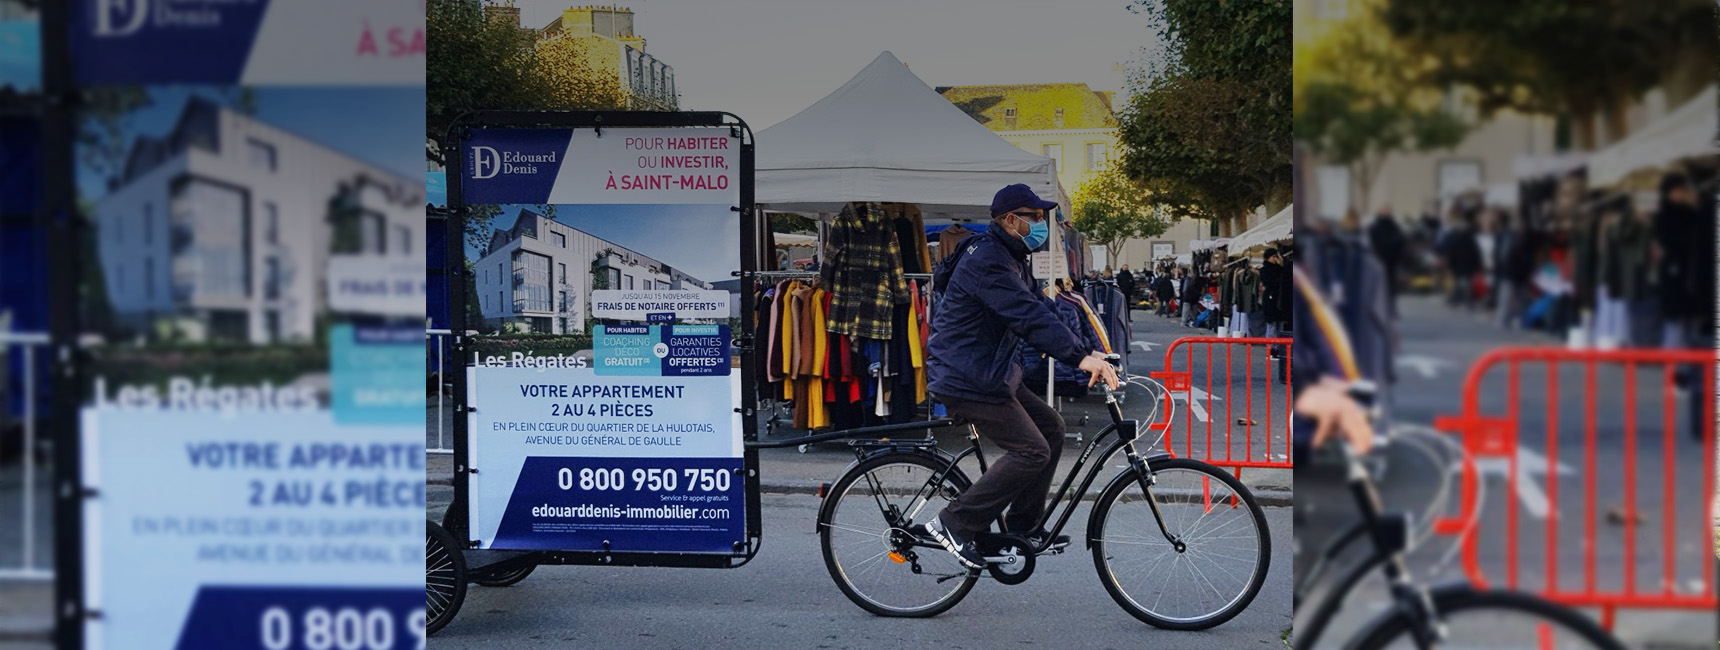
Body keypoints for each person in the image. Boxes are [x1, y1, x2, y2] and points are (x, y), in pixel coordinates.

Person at [923, 183, 1121, 569]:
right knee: (1031, 450)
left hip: (991, 373)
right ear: (1011, 220)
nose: (1041, 224)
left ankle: (1022, 526)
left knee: (1052, 428)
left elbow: (1041, 308)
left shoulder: (1010, 256)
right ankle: (954, 523)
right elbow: (1025, 317)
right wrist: (1079, 359)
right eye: (1035, 217)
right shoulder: (989, 261)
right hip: (967, 377)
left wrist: (1088, 348)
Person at [1367, 206, 1406, 311]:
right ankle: (1380, 308)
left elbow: (1401, 240)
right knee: (1379, 285)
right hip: (1379, 260)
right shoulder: (1375, 227)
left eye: (1388, 212)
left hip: (1391, 261)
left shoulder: (1394, 226)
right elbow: (1373, 243)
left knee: (1390, 286)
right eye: (1384, 212)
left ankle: (1391, 307)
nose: (1386, 213)